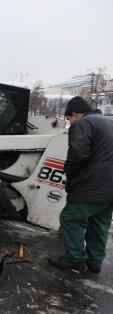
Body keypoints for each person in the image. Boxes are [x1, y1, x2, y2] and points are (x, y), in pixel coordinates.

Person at [48, 96, 113, 273]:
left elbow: (77, 155)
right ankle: (94, 262)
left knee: (71, 218)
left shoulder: (83, 124)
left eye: (69, 119)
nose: (69, 123)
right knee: (99, 223)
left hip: (92, 185)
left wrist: (69, 176)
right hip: (109, 189)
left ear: (76, 114)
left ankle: (75, 259)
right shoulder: (108, 122)